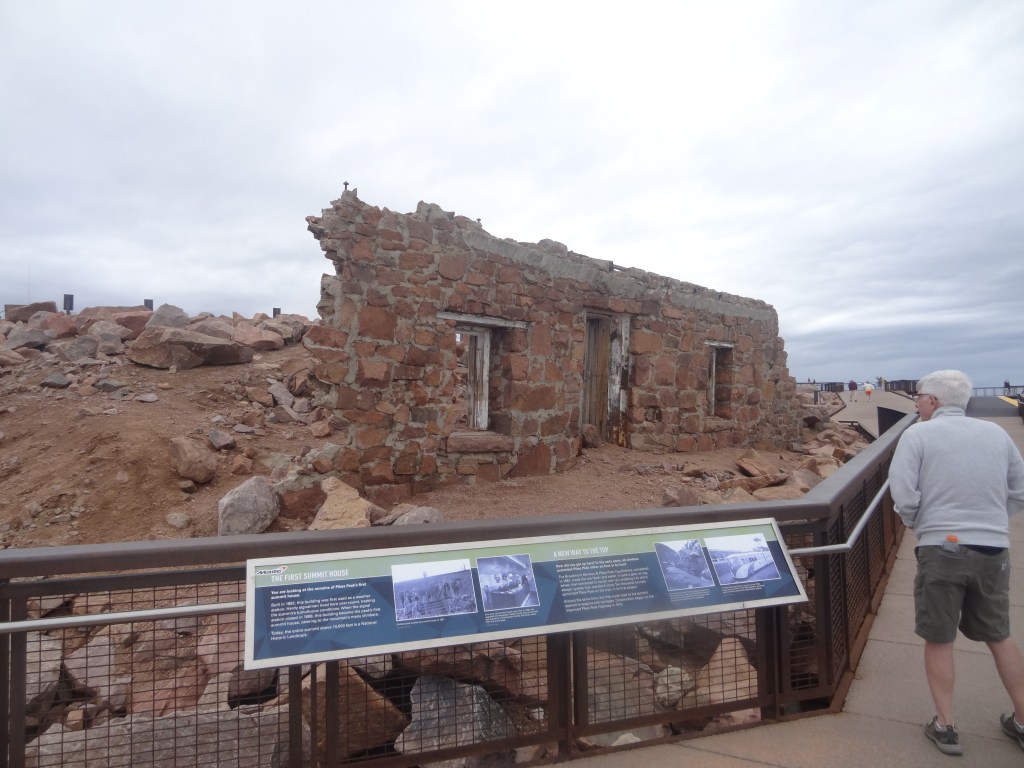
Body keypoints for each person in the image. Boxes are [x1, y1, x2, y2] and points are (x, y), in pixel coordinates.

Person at [890, 370, 1024, 756]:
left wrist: (920, 524)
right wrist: (991, 522)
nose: (916, 402)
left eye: (918, 396)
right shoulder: (996, 434)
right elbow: (1019, 490)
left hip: (941, 547)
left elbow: (903, 493)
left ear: (933, 400)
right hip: (993, 549)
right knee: (999, 635)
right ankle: (1022, 720)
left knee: (939, 637)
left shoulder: (918, 435)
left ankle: (946, 725)